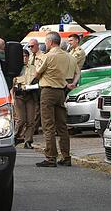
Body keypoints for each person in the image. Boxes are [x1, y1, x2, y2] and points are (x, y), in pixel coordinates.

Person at [31, 31, 80, 167]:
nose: (46, 44)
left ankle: (51, 157)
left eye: (46, 41)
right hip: (61, 92)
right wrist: (72, 83)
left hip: (48, 91)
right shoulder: (67, 56)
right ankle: (66, 156)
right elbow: (76, 72)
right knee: (62, 126)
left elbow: (37, 74)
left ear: (51, 42)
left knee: (48, 125)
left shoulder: (48, 56)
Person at [13, 47, 39, 148]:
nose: (24, 58)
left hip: (30, 95)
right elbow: (12, 84)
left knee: (31, 120)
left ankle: (28, 141)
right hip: (19, 95)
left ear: (29, 57)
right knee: (21, 119)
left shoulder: (33, 68)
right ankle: (16, 136)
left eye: (26, 56)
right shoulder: (16, 68)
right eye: (22, 56)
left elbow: (37, 79)